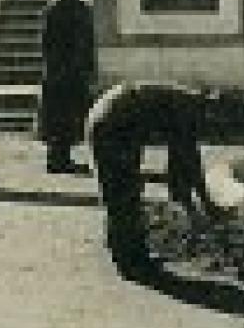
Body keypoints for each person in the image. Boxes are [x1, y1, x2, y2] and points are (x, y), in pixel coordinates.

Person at [84, 79, 222, 279]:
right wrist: (205, 205)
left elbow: (180, 167)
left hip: (111, 117)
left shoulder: (186, 100)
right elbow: (187, 164)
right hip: (113, 123)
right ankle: (130, 261)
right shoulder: (188, 110)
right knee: (123, 191)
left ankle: (127, 253)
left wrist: (192, 204)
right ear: (212, 108)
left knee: (121, 190)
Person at [37, 0, 98, 174]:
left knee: (67, 117)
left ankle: (61, 157)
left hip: (67, 72)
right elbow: (47, 43)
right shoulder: (60, 12)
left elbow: (87, 43)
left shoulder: (71, 11)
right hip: (64, 73)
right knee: (61, 117)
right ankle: (57, 159)